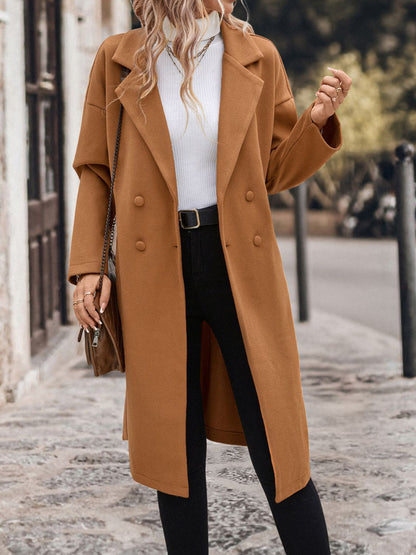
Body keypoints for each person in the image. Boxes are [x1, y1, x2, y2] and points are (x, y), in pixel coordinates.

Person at [68, 0, 352, 553]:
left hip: (236, 260)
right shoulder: (119, 57)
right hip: (156, 265)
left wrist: (316, 124)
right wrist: (87, 268)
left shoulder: (257, 56)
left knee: (278, 439)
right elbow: (97, 168)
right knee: (175, 447)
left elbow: (274, 170)